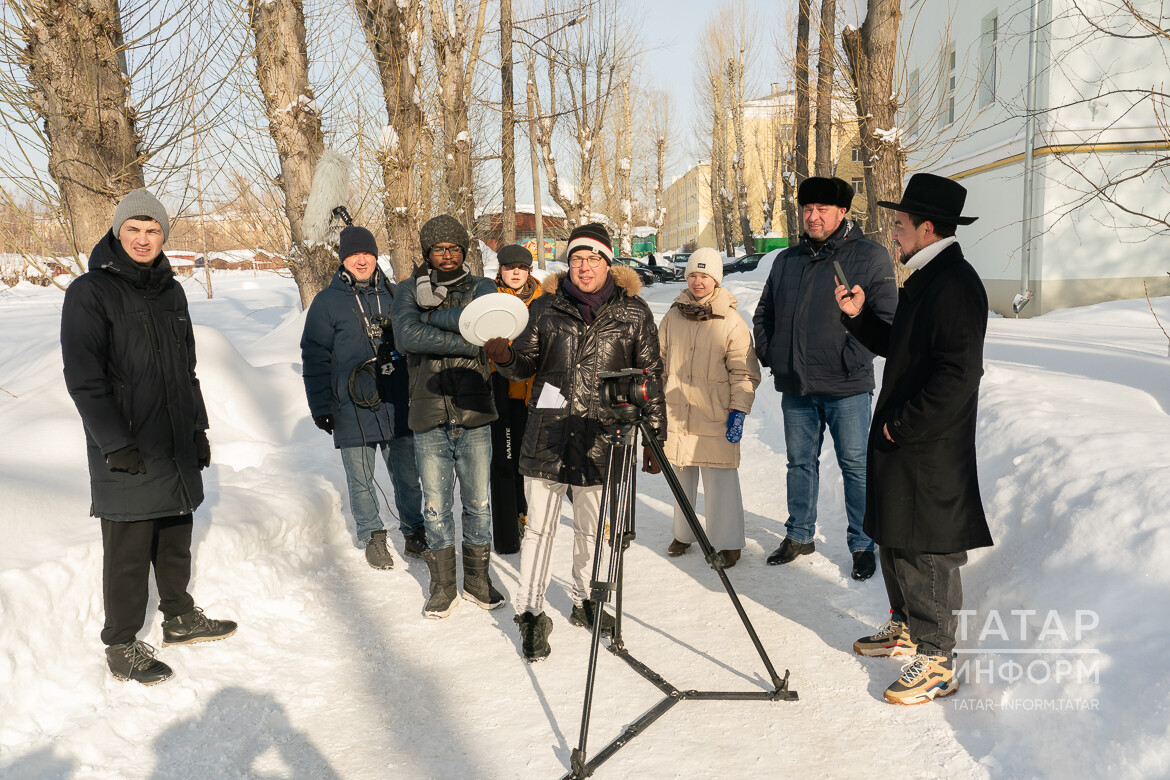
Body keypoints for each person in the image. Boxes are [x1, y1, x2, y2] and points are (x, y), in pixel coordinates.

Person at [61, 188, 236, 686]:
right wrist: (114, 442)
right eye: (133, 230)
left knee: (175, 534)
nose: (143, 239)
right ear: (117, 233)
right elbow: (84, 378)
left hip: (175, 439)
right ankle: (120, 644)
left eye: (153, 230)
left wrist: (198, 431)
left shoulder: (171, 290)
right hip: (128, 444)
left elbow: (188, 370)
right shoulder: (90, 292)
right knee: (130, 548)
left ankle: (179, 618)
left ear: (164, 236)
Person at [836, 173, 993, 705]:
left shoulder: (956, 283)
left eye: (899, 225)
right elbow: (903, 349)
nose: (893, 233)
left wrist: (902, 425)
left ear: (927, 228)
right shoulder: (927, 277)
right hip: (905, 443)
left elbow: (958, 373)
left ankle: (937, 660)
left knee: (926, 550)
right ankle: (905, 627)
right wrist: (858, 319)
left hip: (927, 448)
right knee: (896, 537)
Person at [484, 223, 665, 663]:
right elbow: (525, 365)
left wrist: (654, 436)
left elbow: (651, 376)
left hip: (602, 436)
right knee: (540, 530)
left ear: (609, 263)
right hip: (547, 431)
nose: (584, 268)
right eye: (577, 260)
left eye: (593, 259)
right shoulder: (545, 308)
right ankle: (530, 614)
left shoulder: (634, 312)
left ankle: (586, 600)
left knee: (591, 526)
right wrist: (506, 356)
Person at [752, 176, 897, 580]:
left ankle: (863, 543)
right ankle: (799, 534)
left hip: (847, 387)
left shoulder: (870, 257)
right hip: (796, 385)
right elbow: (765, 314)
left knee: (855, 465)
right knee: (800, 463)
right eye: (807, 209)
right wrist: (773, 354)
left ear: (843, 212)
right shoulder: (786, 260)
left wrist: (851, 359)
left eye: (822, 210)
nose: (812, 217)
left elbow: (885, 320)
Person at [391, 215, 504, 619]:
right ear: (427, 254)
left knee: (478, 504)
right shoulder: (407, 289)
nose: (448, 255)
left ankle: (477, 581)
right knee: (436, 507)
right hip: (428, 410)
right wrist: (467, 338)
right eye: (439, 249)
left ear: (464, 251)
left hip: (474, 409)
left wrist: (430, 321)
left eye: (455, 248)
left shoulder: (483, 287)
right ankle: (443, 587)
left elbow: (490, 328)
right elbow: (405, 337)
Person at [300, 225, 426, 569]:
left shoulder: (396, 295)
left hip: (396, 401)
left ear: (375, 256)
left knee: (407, 475)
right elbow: (314, 356)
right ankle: (373, 536)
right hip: (350, 405)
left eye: (367, 253)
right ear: (343, 260)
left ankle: (415, 530)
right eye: (354, 254)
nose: (361, 260)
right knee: (361, 480)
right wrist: (322, 406)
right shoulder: (327, 303)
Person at [658, 247, 761, 567]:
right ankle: (683, 532)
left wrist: (738, 410)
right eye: (693, 274)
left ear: (716, 279)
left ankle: (729, 542)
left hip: (715, 413)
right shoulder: (673, 315)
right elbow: (657, 361)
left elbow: (744, 371)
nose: (698, 281)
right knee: (681, 476)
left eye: (704, 275)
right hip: (677, 410)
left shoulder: (730, 320)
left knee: (721, 482)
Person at [487, 244, 543, 554]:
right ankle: (509, 530)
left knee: (531, 458)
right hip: (502, 390)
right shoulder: (490, 298)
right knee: (504, 460)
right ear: (501, 270)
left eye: (521, 267)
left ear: (529, 270)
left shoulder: (543, 299)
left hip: (535, 391)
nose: (516, 272)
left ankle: (528, 514)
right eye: (510, 267)